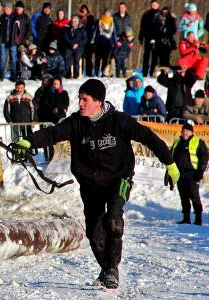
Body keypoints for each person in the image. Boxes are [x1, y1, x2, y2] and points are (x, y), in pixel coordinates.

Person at [13, 78, 179, 289]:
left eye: (85, 100)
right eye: (80, 99)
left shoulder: (119, 121)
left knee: (114, 220)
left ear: (98, 102)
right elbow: (52, 133)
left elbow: (150, 138)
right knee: (94, 233)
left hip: (119, 179)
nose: (80, 104)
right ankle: (107, 268)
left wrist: (170, 163)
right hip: (90, 185)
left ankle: (111, 269)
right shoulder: (75, 123)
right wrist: (28, 141)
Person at [169, 122, 208, 225]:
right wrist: (169, 174)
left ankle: (198, 219)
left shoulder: (198, 142)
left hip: (192, 174)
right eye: (183, 131)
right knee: (184, 197)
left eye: (187, 131)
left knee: (194, 196)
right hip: (179, 174)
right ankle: (186, 218)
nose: (185, 133)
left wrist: (200, 171)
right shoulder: (177, 143)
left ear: (191, 132)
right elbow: (170, 159)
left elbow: (204, 158)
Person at [139, 0, 160, 77]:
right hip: (147, 38)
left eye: (155, 4)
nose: (154, 5)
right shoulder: (146, 14)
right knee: (146, 56)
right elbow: (142, 27)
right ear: (151, 5)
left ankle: (152, 72)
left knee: (155, 56)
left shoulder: (161, 14)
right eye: (153, 4)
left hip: (157, 39)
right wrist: (141, 37)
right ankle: (144, 72)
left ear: (158, 5)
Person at [92, 9, 116, 77]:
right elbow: (95, 31)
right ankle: (96, 73)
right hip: (99, 42)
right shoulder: (99, 21)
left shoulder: (112, 22)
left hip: (108, 43)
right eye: (106, 13)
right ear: (104, 13)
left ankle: (103, 73)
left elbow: (114, 33)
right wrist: (92, 40)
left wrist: (115, 42)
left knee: (105, 59)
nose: (107, 14)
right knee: (98, 59)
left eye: (108, 13)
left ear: (110, 15)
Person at [77, 4, 95, 77]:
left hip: (89, 40)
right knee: (80, 57)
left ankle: (89, 73)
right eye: (82, 10)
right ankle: (80, 72)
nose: (84, 11)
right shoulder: (78, 18)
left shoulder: (90, 17)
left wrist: (85, 17)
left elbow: (91, 26)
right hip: (80, 40)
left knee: (88, 57)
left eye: (85, 10)